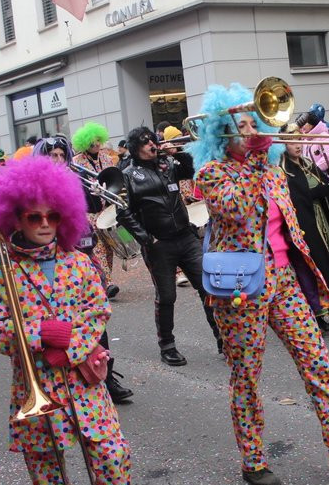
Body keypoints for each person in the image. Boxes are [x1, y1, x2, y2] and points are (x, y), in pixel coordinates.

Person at [190, 83, 329, 485]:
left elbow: (290, 227)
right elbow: (235, 210)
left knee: (318, 364)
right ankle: (253, 460)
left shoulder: (275, 171)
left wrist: (314, 269)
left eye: (251, 122)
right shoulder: (211, 174)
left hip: (284, 281)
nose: (248, 130)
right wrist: (258, 164)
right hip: (241, 285)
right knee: (247, 375)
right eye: (238, 125)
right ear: (221, 133)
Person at [0, 156, 142, 485]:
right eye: (34, 217)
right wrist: (41, 337)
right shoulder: (3, 270)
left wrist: (66, 347)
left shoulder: (79, 263)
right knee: (47, 472)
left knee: (110, 457)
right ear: (15, 218)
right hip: (35, 389)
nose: (45, 224)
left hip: (84, 383)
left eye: (53, 215)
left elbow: (98, 310)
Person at [34, 136, 134, 404]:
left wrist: (94, 190)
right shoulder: (34, 188)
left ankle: (106, 375)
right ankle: (67, 380)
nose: (57, 160)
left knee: (95, 320)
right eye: (50, 155)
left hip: (82, 257)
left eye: (59, 154)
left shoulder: (76, 178)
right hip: (52, 264)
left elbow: (93, 209)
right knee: (64, 325)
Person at [116, 127, 221, 365]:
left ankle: (222, 337)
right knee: (166, 296)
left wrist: (177, 151)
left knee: (208, 288)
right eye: (145, 142)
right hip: (158, 244)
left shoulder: (168, 164)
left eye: (152, 140)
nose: (151, 144)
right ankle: (167, 346)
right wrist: (146, 238)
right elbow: (123, 212)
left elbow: (192, 168)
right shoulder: (128, 174)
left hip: (185, 236)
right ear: (135, 147)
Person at [280, 129, 329, 328]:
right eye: (292, 141)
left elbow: (323, 184)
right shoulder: (283, 169)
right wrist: (326, 190)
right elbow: (299, 196)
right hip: (304, 223)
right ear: (283, 145)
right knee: (311, 267)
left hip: (321, 218)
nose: (297, 145)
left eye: (299, 140)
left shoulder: (306, 163)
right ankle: (316, 313)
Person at [72, 122, 121, 299]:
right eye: (92, 141)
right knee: (98, 247)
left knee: (108, 248)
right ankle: (107, 283)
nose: (96, 144)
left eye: (98, 140)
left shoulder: (107, 158)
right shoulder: (77, 162)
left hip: (107, 209)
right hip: (90, 212)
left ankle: (103, 280)